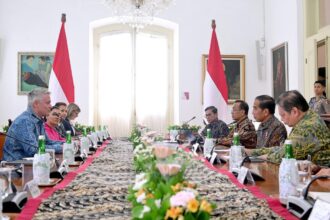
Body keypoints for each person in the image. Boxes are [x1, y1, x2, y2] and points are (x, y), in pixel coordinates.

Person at [249, 90, 330, 167]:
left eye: (283, 115)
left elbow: (282, 156)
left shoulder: (307, 127)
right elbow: (283, 148)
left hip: (323, 177)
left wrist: (259, 157)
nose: (281, 119)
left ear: (294, 111)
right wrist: (252, 152)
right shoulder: (308, 117)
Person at [3, 89, 63, 161]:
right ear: (36, 104)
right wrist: (61, 148)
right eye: (48, 103)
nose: (51, 106)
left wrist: (67, 143)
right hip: (16, 167)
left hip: (31, 165)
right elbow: (33, 149)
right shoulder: (24, 121)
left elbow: (48, 142)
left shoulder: (38, 120)